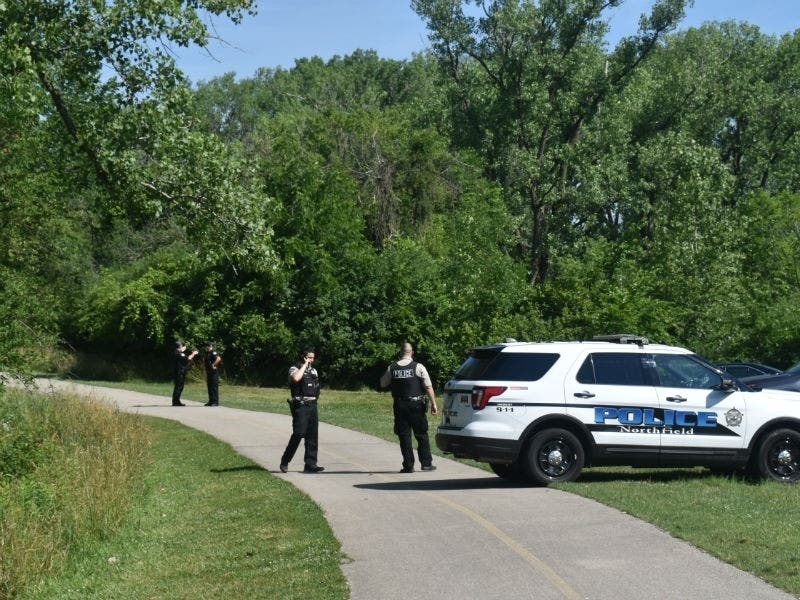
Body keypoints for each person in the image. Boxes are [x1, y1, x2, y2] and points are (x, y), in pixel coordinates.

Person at [379, 342, 439, 473]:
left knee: (404, 435)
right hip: (417, 405)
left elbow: (383, 383)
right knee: (421, 434)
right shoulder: (419, 367)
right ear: (412, 352)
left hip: (400, 405)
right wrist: (434, 403)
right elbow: (428, 386)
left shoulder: (392, 368)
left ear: (400, 353)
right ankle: (426, 464)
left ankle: (408, 465)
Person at [280, 348, 324, 473]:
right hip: (301, 405)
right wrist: (304, 365)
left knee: (312, 436)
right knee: (298, 433)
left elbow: (317, 387)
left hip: (312, 405)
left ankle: (310, 464)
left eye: (313, 358)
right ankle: (285, 460)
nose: (312, 360)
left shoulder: (314, 371)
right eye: (309, 357)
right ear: (303, 357)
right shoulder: (294, 368)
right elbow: (296, 379)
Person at [172, 341, 198, 406]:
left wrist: (182, 351)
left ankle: (176, 401)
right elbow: (188, 358)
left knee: (178, 387)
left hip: (177, 372)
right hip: (180, 373)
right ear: (180, 346)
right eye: (181, 346)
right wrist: (194, 353)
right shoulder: (179, 353)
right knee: (179, 387)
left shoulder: (176, 352)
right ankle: (176, 401)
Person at [203, 341, 222, 406]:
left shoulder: (213, 352)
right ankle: (210, 401)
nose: (206, 347)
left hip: (214, 373)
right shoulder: (208, 353)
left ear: (209, 346)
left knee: (214, 387)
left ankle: (215, 402)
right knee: (210, 387)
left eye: (207, 346)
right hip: (209, 372)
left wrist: (213, 365)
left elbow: (218, 359)